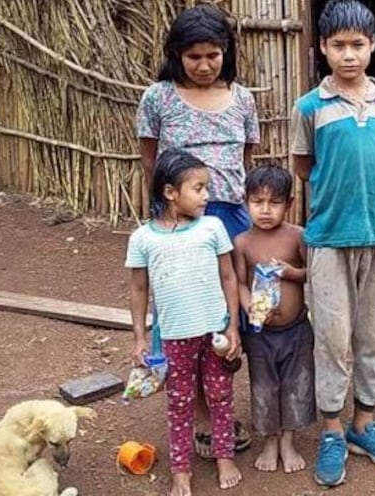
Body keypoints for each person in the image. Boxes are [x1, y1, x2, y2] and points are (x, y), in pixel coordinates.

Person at [290, 0, 375, 487]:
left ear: (373, 45)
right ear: (322, 47)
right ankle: (333, 431)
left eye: (357, 44)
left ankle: (365, 423)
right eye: (338, 45)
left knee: (374, 336)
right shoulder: (310, 107)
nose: (348, 54)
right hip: (329, 239)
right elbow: (304, 168)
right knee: (332, 337)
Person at [136, 4, 258, 455]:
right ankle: (205, 419)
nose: (205, 65)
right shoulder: (158, 98)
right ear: (176, 55)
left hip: (232, 218)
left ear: (226, 51)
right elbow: (151, 163)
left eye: (213, 55)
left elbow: (245, 160)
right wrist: (171, 216)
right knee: (190, 315)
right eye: (193, 57)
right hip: (182, 225)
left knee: (234, 315)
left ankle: (229, 403)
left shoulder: (242, 99)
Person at [127, 148, 244, 496]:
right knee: (179, 402)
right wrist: (139, 338)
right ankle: (181, 470)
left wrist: (232, 326)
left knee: (221, 395)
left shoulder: (212, 227)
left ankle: (225, 456)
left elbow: (228, 277)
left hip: (215, 332)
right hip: (175, 336)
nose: (207, 195)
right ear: (170, 192)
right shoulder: (144, 238)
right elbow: (138, 289)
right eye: (198, 188)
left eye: (206, 187)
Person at [232, 165, 315, 474]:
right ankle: (269, 440)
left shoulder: (298, 236)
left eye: (274, 202)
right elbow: (240, 283)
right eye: (257, 202)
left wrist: (291, 272)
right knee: (263, 385)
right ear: (246, 202)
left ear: (289, 204)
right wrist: (250, 308)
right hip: (260, 333)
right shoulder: (242, 242)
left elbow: (313, 273)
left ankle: (288, 441)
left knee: (296, 382)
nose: (265, 210)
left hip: (296, 329)